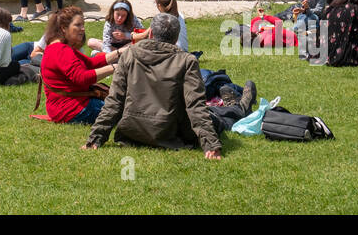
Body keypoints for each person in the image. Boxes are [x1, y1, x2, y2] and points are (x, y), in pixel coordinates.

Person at [84, 13, 258, 159]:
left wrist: (96, 138)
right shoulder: (186, 60)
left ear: (150, 33)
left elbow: (115, 100)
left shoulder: (129, 54)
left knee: (210, 112)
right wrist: (210, 144)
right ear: (176, 38)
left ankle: (232, 106)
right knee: (218, 118)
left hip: (133, 132)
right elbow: (195, 105)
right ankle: (240, 108)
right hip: (170, 131)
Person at [40, 6, 121, 124]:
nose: (82, 29)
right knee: (126, 110)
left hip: (67, 106)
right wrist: (114, 68)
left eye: (83, 25)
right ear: (63, 28)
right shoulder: (61, 50)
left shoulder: (61, 47)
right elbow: (82, 78)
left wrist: (120, 52)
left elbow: (90, 63)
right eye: (78, 25)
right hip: (70, 109)